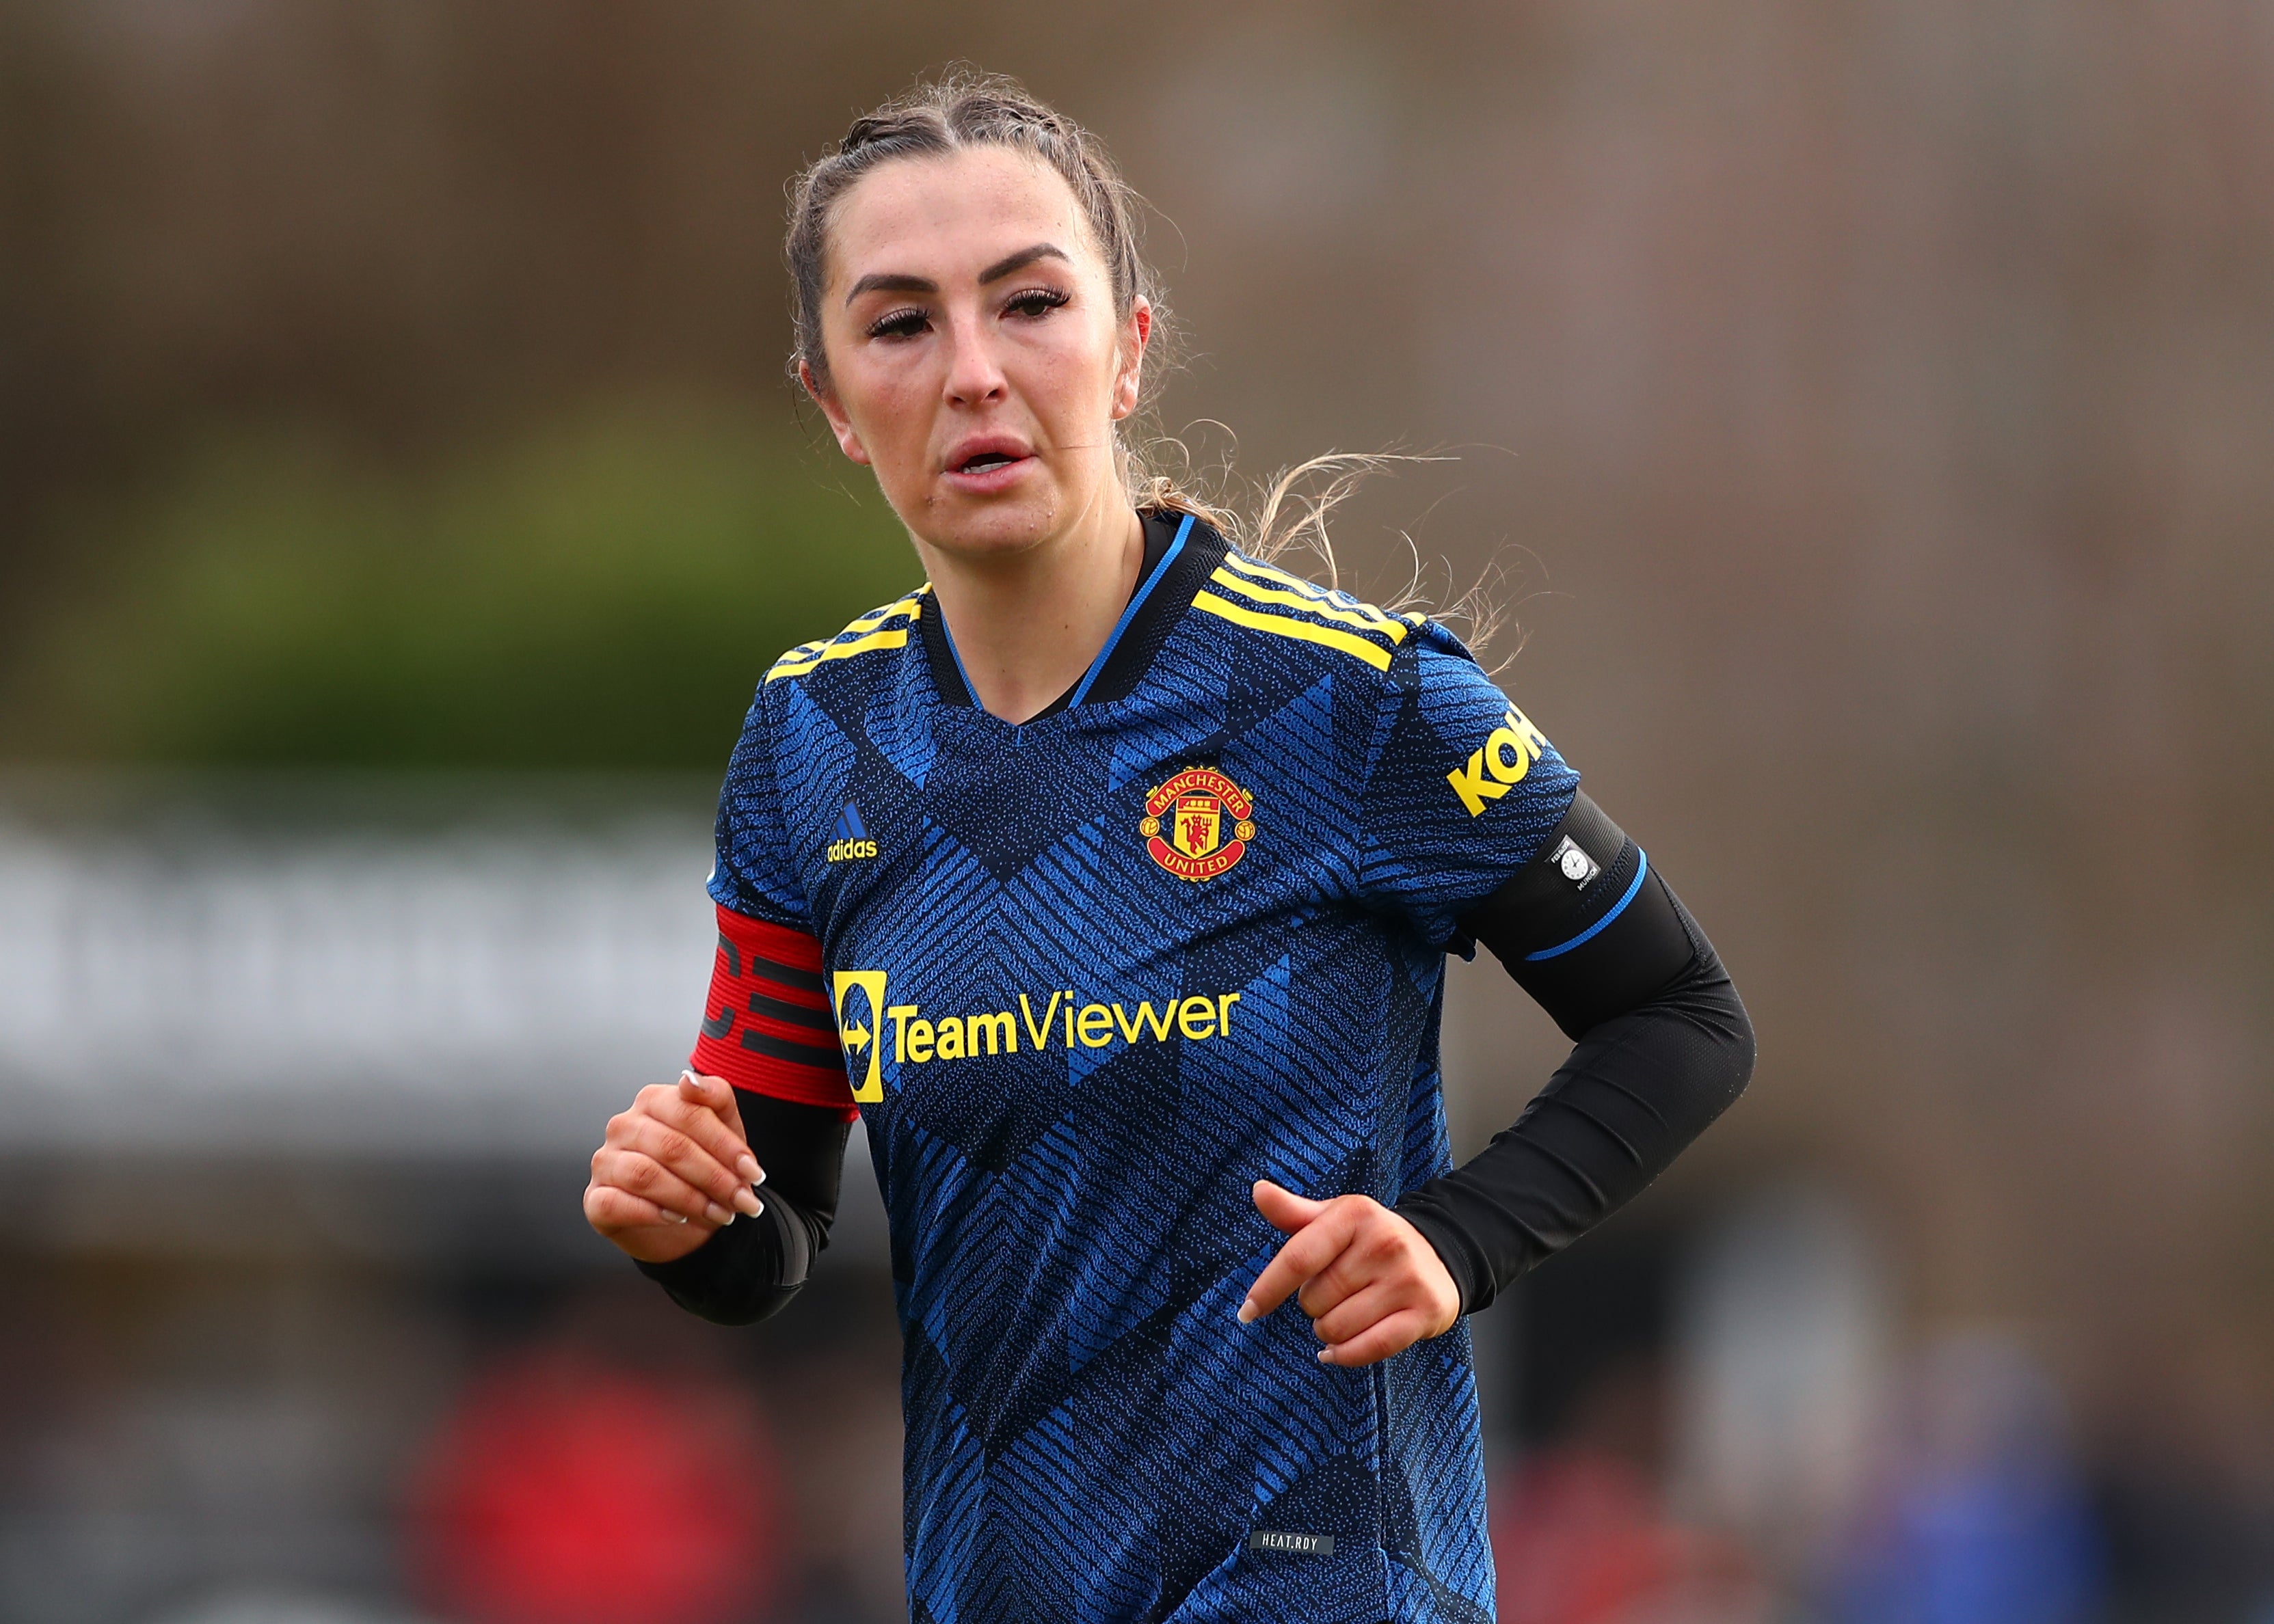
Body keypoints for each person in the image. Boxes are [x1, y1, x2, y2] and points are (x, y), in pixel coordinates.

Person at [583, 71, 1754, 1624]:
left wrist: (1451, 1243)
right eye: (901, 324)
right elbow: (773, 1227)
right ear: (832, 406)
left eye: (1031, 303)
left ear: (1128, 350)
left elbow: (1678, 1020)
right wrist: (692, 1219)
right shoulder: (811, 742)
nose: (975, 372)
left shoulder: (1354, 701)